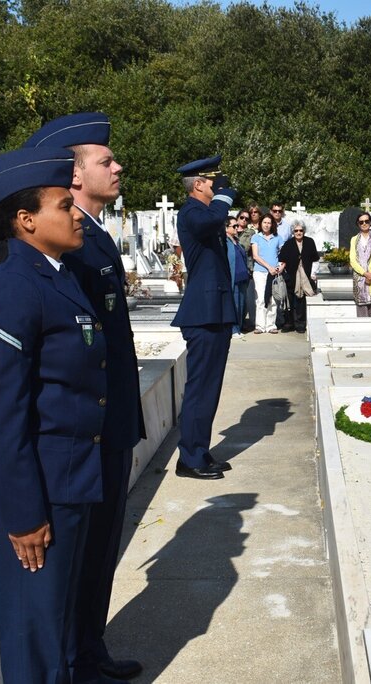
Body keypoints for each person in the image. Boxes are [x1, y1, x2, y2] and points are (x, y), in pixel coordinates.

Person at [0, 146, 100, 684]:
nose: (75, 214)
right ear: (26, 221)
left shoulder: (55, 274)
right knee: (33, 634)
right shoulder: (11, 289)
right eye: (64, 205)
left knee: (56, 627)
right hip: (36, 488)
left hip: (68, 478)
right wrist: (22, 513)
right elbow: (1, 413)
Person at [23, 112, 144, 682]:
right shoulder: (69, 243)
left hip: (112, 420)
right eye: (105, 161)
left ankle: (89, 650)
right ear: (74, 177)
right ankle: (76, 657)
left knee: (101, 553)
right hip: (87, 427)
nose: (117, 167)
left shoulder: (93, 236)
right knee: (81, 556)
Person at [171, 156, 237, 479]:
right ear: (198, 184)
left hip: (216, 312)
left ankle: (200, 449)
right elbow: (212, 222)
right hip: (203, 314)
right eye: (213, 181)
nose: (219, 185)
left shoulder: (206, 212)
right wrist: (225, 196)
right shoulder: (192, 212)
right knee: (199, 387)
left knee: (210, 387)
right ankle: (189, 457)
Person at [278, 219, 319, 333]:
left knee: (301, 301)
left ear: (304, 231)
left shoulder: (310, 242)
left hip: (305, 276)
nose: (298, 232)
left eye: (301, 230)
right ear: (293, 231)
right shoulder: (288, 243)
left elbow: (315, 259)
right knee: (289, 301)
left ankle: (300, 324)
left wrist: (312, 274)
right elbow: (282, 260)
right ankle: (289, 323)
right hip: (291, 276)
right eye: (296, 230)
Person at [250, 212, 284, 334]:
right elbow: (255, 256)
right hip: (260, 272)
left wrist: (281, 267)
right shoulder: (256, 237)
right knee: (260, 298)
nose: (267, 225)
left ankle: (270, 325)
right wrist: (269, 267)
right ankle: (260, 325)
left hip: (274, 273)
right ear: (261, 224)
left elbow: (283, 255)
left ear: (272, 224)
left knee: (273, 299)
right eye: (264, 222)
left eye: (269, 223)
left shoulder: (278, 238)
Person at [226, 216, 250, 338]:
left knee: (241, 305)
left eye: (237, 226)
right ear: (226, 228)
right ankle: (233, 329)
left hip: (242, 278)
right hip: (233, 278)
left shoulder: (237, 241)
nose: (237, 227)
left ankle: (238, 328)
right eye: (234, 226)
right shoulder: (224, 242)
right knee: (234, 305)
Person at [236, 208, 257, 332]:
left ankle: (243, 322)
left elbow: (245, 247)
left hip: (246, 268)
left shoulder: (250, 233)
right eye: (241, 218)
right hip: (232, 268)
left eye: (246, 219)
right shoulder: (229, 230)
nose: (244, 220)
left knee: (245, 298)